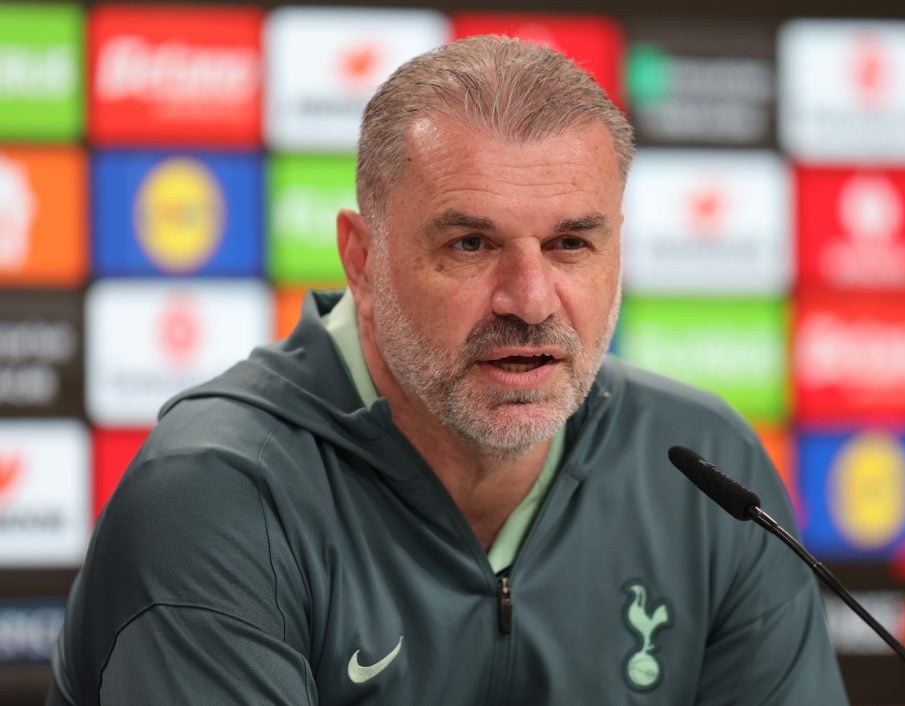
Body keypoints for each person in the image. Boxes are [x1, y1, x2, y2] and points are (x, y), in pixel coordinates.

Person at [48, 36, 848, 705]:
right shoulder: (216, 496)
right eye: (470, 244)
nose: (532, 300)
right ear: (362, 261)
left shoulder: (705, 471)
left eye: (572, 243)